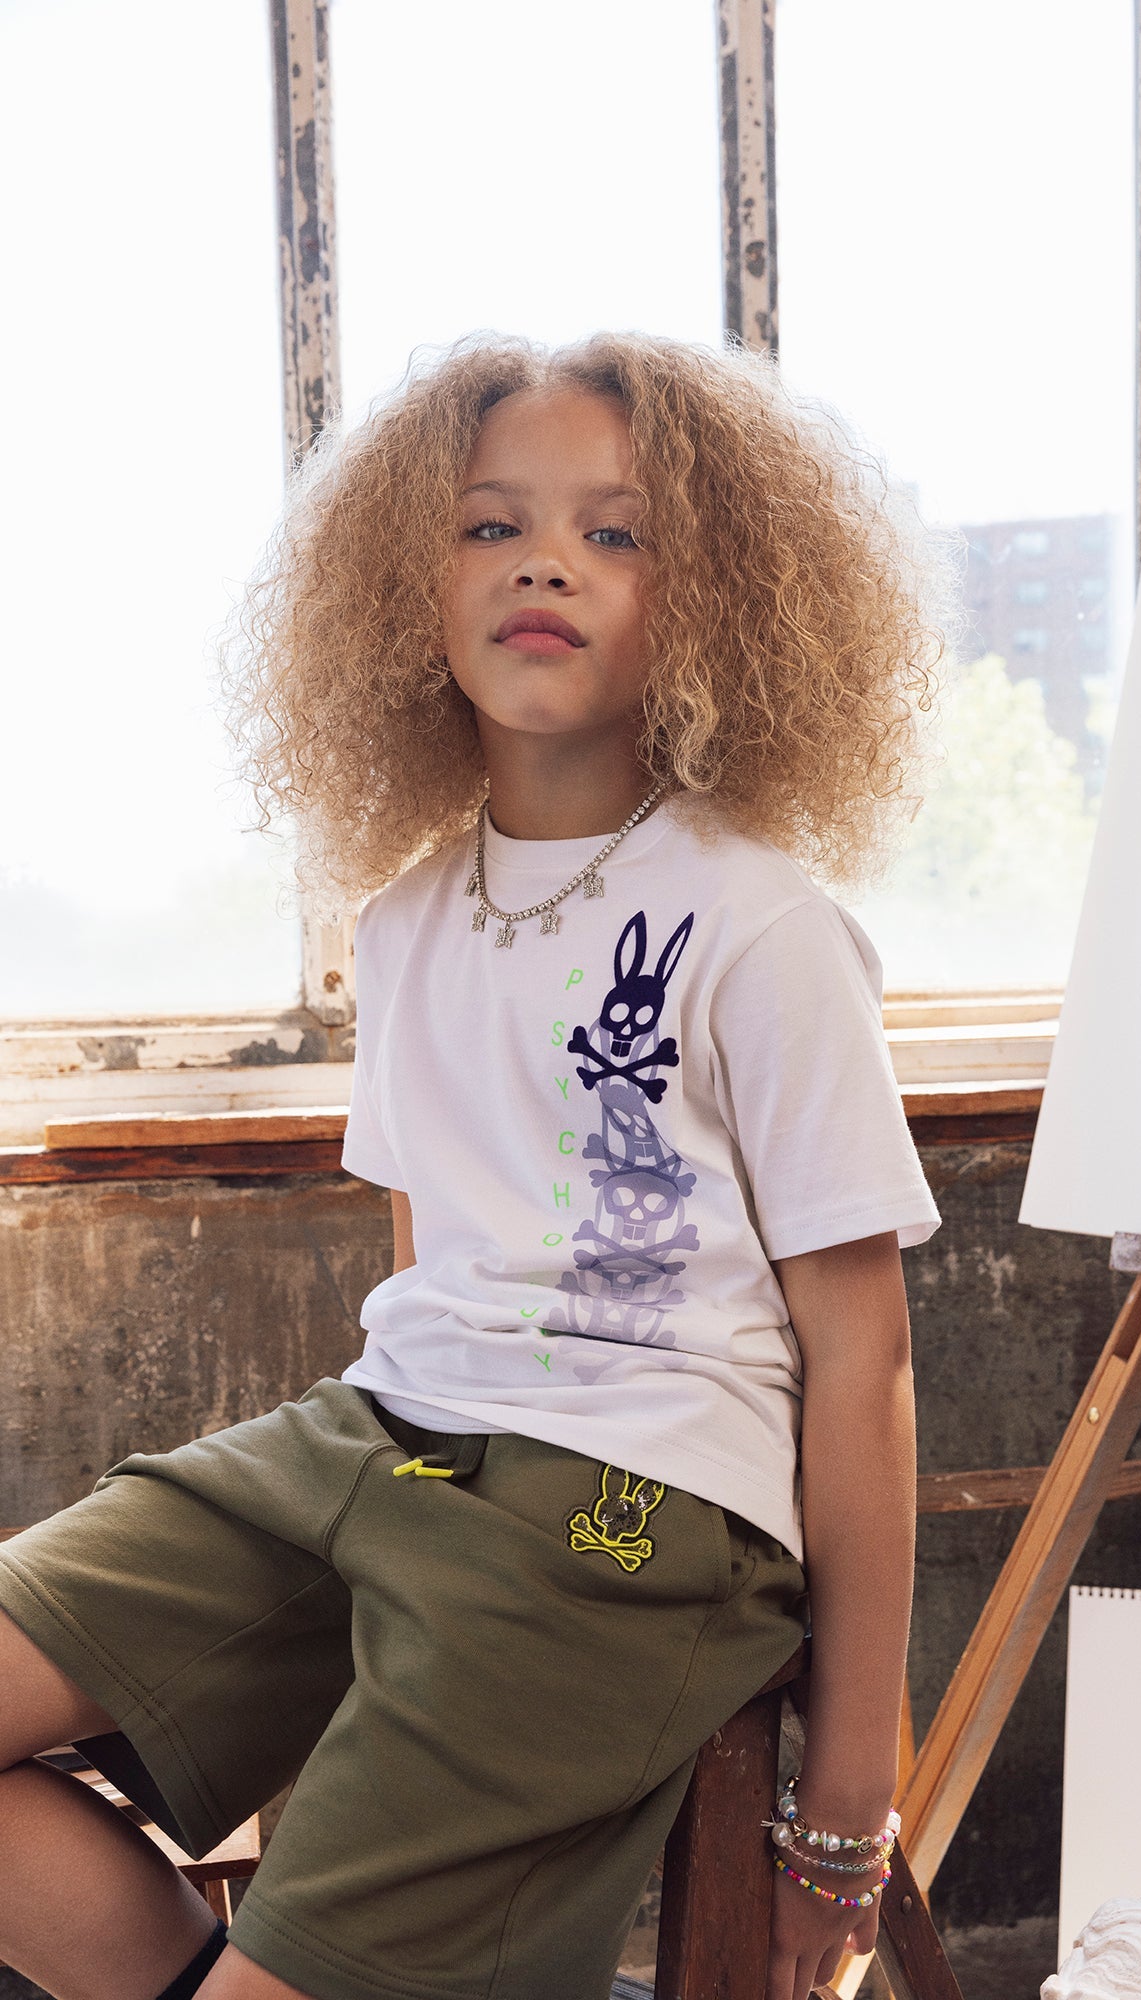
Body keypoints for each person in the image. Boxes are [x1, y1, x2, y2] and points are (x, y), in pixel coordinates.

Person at [0, 332, 943, 2000]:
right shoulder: (407, 921)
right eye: (490, 524)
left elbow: (861, 1360)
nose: (544, 564)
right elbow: (437, 1271)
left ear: (715, 600)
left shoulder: (761, 923)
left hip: (633, 1505)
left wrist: (847, 1802)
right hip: (382, 1439)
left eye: (614, 531)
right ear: (402, 593)